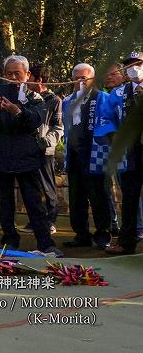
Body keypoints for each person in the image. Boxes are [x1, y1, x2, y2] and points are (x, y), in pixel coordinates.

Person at [0, 55, 62, 257]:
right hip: (0, 154)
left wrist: (18, 112)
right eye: (8, 73)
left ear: (27, 74)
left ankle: (45, 243)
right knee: (5, 203)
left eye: (17, 73)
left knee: (34, 203)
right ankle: (10, 241)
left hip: (27, 156)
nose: (13, 77)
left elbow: (37, 120)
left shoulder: (35, 96)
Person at [61, 63, 111, 249]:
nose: (81, 81)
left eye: (85, 78)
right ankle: (81, 233)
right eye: (77, 78)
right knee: (76, 197)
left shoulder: (103, 98)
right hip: (74, 154)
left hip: (96, 153)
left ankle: (103, 234)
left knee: (98, 195)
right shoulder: (67, 100)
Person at [97, 52, 143, 255]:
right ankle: (126, 242)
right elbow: (105, 118)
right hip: (130, 150)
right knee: (130, 196)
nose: (133, 68)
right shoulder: (118, 93)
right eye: (129, 65)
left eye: (138, 64)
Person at [21, 64, 62, 234]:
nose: (27, 80)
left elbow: (58, 126)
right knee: (32, 187)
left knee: (48, 186)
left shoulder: (54, 100)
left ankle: (50, 220)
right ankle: (35, 221)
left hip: (45, 150)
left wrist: (46, 141)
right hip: (28, 149)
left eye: (30, 77)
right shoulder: (26, 98)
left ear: (39, 80)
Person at [102, 63, 126, 235]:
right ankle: (114, 223)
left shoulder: (130, 93)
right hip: (110, 150)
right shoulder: (106, 97)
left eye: (114, 74)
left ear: (124, 76)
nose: (109, 77)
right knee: (110, 187)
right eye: (106, 74)